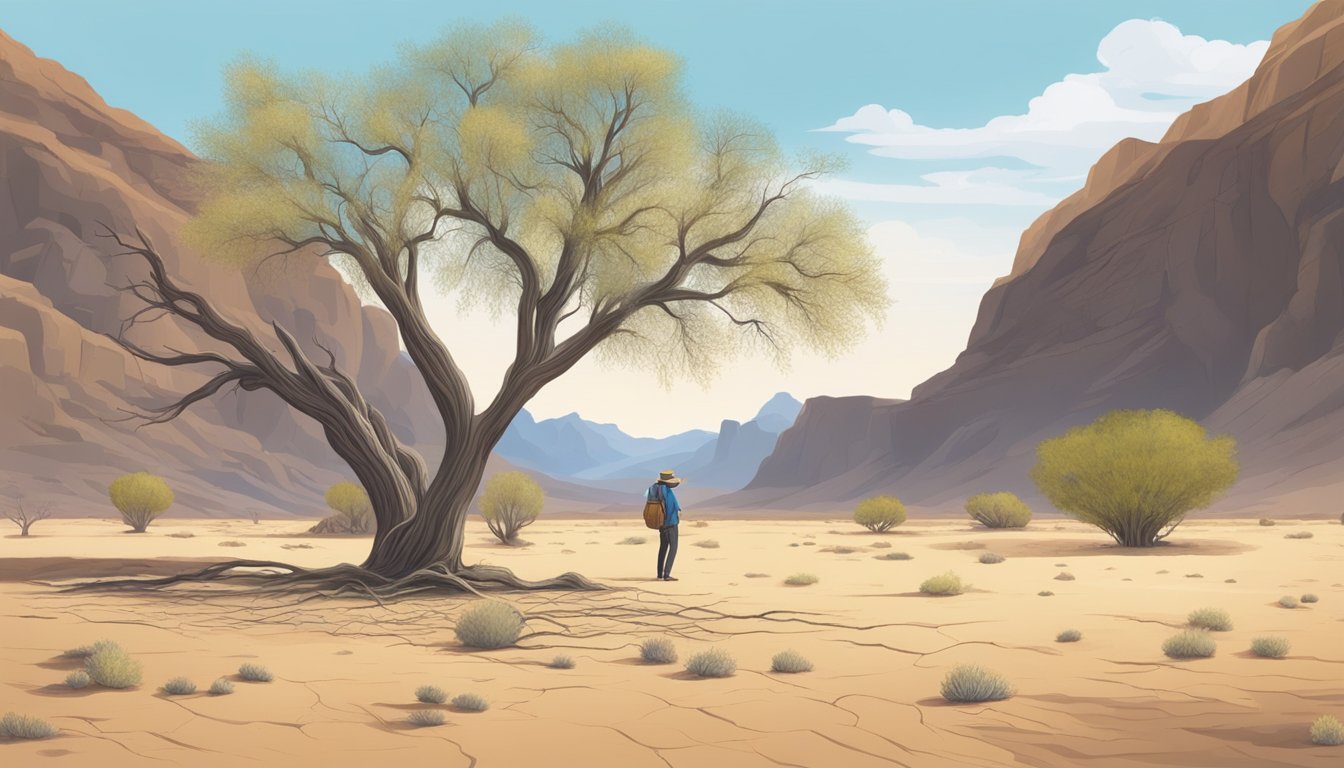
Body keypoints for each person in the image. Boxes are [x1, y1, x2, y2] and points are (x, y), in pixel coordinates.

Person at [647, 470, 684, 581]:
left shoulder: (653, 488)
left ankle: (659, 574)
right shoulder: (667, 491)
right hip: (670, 522)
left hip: (660, 522)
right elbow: (671, 507)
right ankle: (667, 574)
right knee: (673, 547)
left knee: (663, 547)